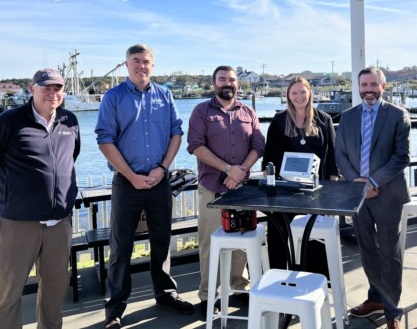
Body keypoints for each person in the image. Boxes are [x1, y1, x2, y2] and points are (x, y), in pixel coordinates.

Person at [0, 68, 80, 329]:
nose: (52, 93)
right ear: (32, 89)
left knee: (55, 289)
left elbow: (69, 159)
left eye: (57, 88)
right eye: (46, 88)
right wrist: (15, 193)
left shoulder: (70, 121)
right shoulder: (6, 123)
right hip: (16, 224)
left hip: (58, 222)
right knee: (6, 292)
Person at [96, 44, 193, 329]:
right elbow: (104, 139)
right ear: (126, 64)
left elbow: (176, 132)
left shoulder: (165, 94)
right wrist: (132, 175)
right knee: (121, 246)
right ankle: (114, 309)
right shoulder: (113, 97)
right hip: (127, 183)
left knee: (162, 241)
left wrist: (162, 168)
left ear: (153, 65)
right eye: (135, 61)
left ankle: (165, 294)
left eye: (146, 61)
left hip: (159, 181)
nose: (141, 66)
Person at [335, 66, 411, 329]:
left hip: (388, 195)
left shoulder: (398, 115)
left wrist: (373, 181)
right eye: (364, 85)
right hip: (358, 196)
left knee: (390, 253)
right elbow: (340, 154)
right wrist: (358, 184)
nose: (368, 90)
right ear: (358, 87)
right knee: (367, 251)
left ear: (383, 86)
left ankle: (393, 312)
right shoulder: (347, 117)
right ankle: (376, 298)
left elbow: (401, 156)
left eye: (373, 85)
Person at [187, 65, 265, 316]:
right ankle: (208, 296)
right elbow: (196, 146)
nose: (227, 83)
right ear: (213, 84)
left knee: (242, 243)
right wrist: (228, 169)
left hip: (241, 189)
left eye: (231, 79)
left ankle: (238, 288)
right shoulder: (201, 112)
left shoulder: (248, 111)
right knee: (211, 244)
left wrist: (240, 170)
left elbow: (258, 145)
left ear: (237, 84)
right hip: (212, 188)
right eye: (222, 79)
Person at [261, 76, 339, 270]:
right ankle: (277, 278)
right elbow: (269, 156)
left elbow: (331, 156)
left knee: (314, 235)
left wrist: (332, 186)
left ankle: (315, 279)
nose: (299, 96)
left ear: (310, 92)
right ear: (288, 95)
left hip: (315, 190)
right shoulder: (279, 121)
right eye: (294, 92)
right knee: (279, 235)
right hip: (285, 190)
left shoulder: (324, 119)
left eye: (303, 92)